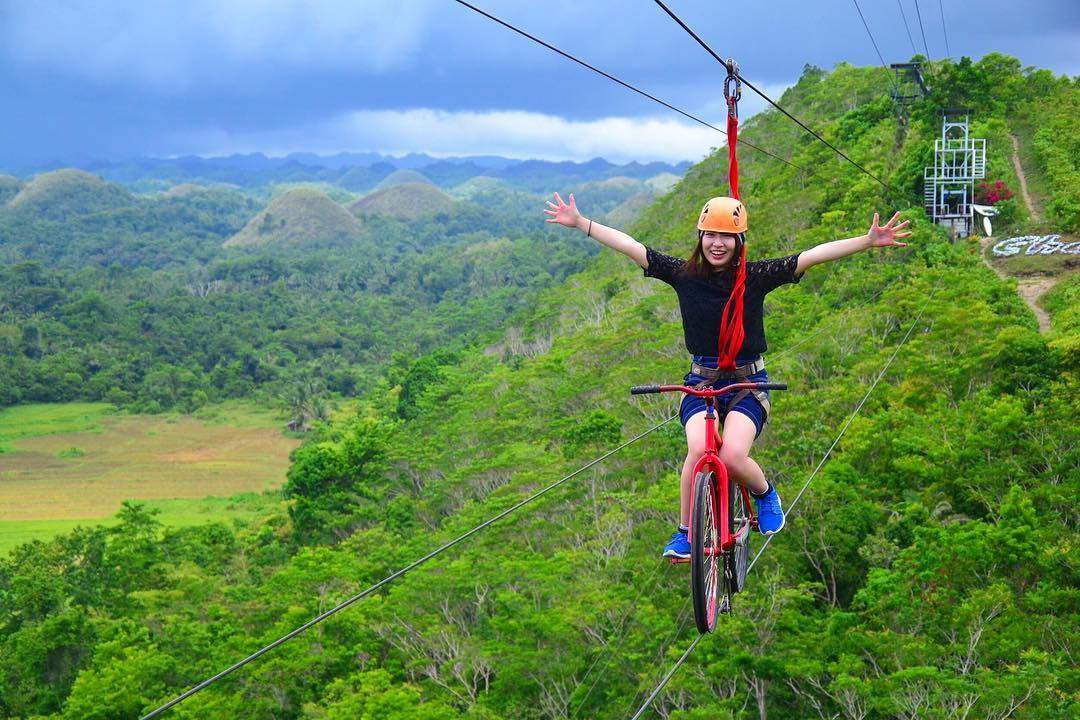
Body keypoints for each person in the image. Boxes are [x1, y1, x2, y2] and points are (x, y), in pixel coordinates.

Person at [545, 192, 911, 559]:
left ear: (739, 242)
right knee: (697, 450)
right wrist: (581, 223)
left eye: (726, 237)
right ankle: (687, 532)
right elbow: (632, 247)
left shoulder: (754, 277)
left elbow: (810, 256)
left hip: (748, 383)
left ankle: (765, 493)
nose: (717, 244)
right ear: (700, 237)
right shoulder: (684, 275)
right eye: (710, 235)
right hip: (701, 381)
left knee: (733, 457)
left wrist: (867, 241)